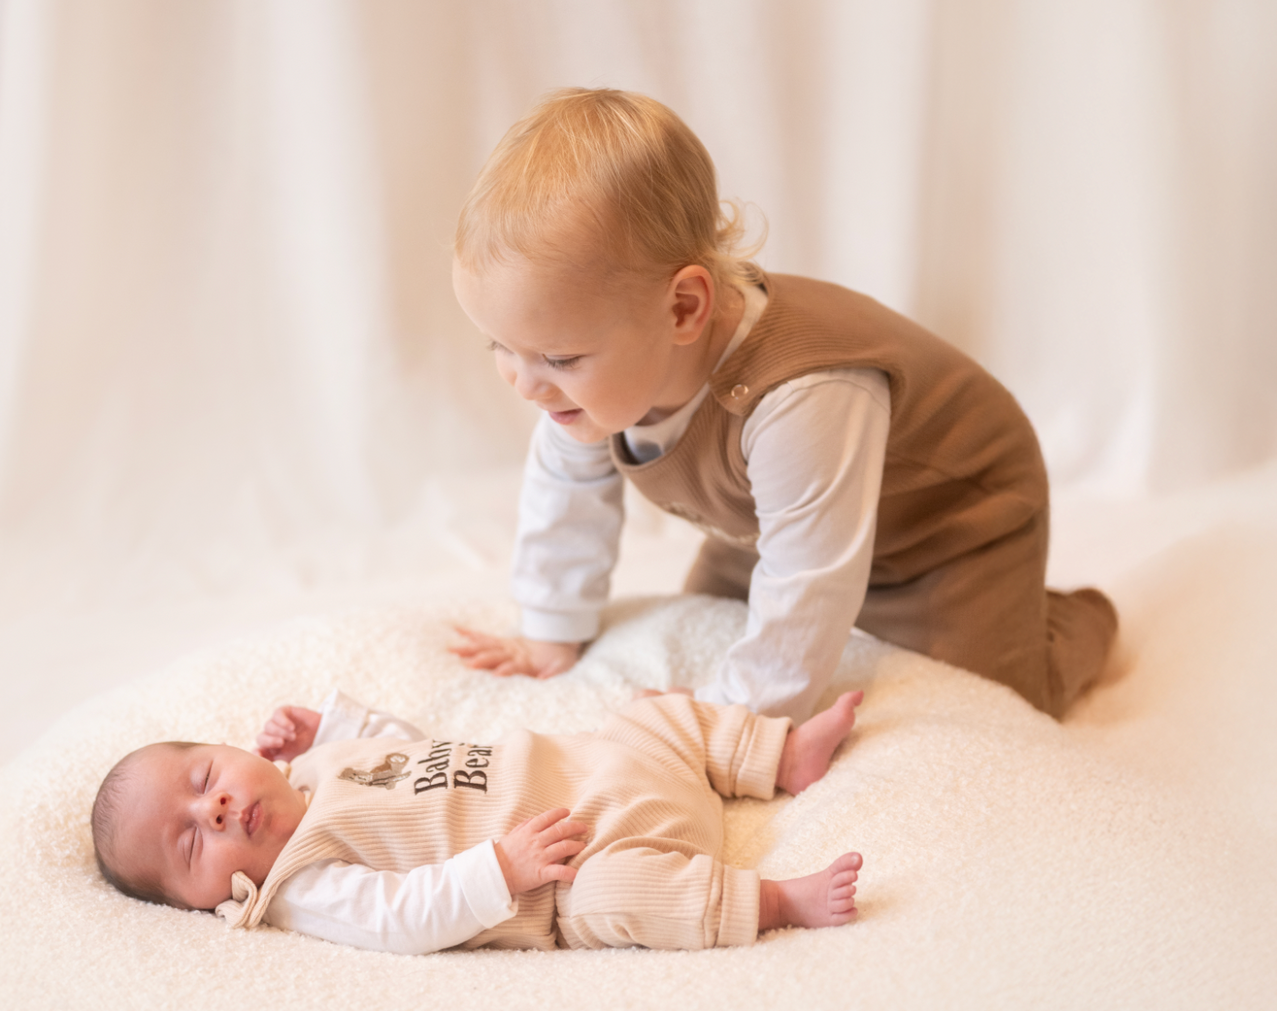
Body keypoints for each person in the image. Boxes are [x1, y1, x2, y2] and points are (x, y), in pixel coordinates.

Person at [447, 88, 1118, 722]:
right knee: (710, 618)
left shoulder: (803, 394)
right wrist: (550, 630)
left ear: (683, 307)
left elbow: (807, 579)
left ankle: (1075, 624)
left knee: (992, 699)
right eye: (498, 347)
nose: (524, 382)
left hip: (950, 525)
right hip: (771, 525)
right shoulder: (588, 379)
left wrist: (735, 715)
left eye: (558, 359)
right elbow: (566, 489)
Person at [90, 688, 865, 953]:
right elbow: (401, 916)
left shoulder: (319, 770)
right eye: (190, 837)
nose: (215, 807)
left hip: (601, 764)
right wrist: (501, 870)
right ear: (209, 899)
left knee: (653, 711)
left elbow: (411, 753)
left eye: (203, 777)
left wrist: (331, 726)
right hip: (586, 854)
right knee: (610, 899)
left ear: (231, 749)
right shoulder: (300, 881)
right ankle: (770, 901)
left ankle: (782, 754)